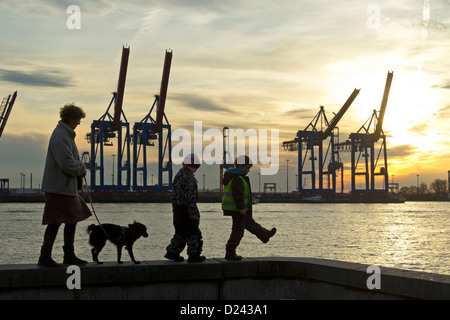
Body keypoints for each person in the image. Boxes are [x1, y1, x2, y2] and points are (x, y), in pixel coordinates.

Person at [38, 103, 92, 267]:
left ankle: (67, 254)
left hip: (65, 188)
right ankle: (47, 256)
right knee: (56, 221)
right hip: (59, 189)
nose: (79, 123)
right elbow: (66, 162)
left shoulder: (64, 135)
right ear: (70, 118)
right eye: (78, 120)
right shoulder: (62, 136)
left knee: (71, 220)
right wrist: (81, 168)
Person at [222, 155, 276, 260]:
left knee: (249, 223)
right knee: (238, 231)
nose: (248, 170)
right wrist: (241, 208)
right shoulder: (237, 179)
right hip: (238, 210)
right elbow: (238, 195)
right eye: (247, 168)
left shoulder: (236, 177)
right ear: (241, 166)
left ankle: (264, 235)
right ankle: (230, 252)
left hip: (240, 209)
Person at [164, 153, 206, 263]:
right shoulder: (189, 179)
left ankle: (172, 252)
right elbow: (190, 198)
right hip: (186, 211)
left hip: (178, 210)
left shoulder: (178, 176)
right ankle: (193, 256)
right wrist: (193, 212)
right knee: (193, 234)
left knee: (181, 233)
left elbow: (174, 196)